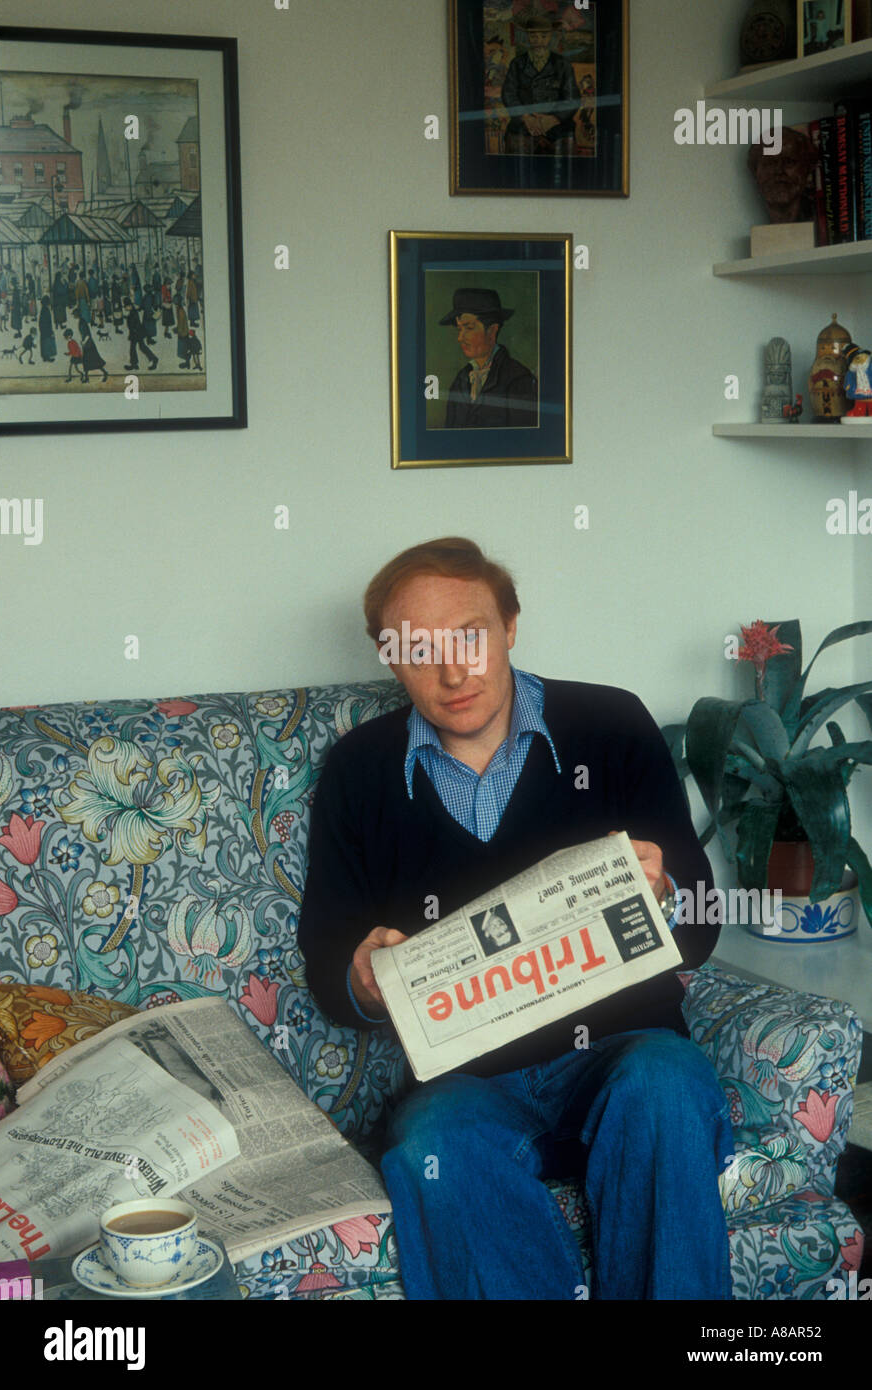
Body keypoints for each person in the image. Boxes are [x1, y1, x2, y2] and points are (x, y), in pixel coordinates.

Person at [297, 537, 734, 1301]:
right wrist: (362, 977)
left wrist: (665, 893)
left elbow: (700, 927)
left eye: (470, 636)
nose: (453, 671)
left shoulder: (613, 725)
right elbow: (331, 969)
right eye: (418, 648)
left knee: (664, 1086)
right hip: (469, 1082)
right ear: (386, 657)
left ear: (510, 626)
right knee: (430, 1145)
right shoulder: (359, 772)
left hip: (625, 1052)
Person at [439, 288, 538, 428]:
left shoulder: (518, 379)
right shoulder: (459, 382)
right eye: (459, 329)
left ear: (492, 331)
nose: (460, 338)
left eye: (469, 328)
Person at [501, 11, 580, 157]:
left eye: (544, 36)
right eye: (533, 36)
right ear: (527, 37)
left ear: (550, 37)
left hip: (558, 129)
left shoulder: (562, 64)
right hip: (523, 127)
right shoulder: (517, 64)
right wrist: (526, 117)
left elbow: (573, 98)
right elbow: (508, 94)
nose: (539, 40)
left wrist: (552, 119)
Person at [123, 298, 158, 371]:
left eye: (126, 306)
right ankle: (151, 359)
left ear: (129, 306)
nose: (125, 308)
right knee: (141, 347)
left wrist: (134, 332)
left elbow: (134, 324)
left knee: (135, 348)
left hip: (136, 333)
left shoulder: (133, 313)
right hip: (137, 333)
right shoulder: (133, 312)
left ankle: (136, 363)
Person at [78, 319, 108, 384]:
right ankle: (87, 378)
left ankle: (105, 373)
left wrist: (83, 342)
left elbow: (87, 335)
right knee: (87, 362)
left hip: (88, 345)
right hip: (87, 344)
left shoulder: (82, 322)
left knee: (92, 361)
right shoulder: (82, 321)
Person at [38, 294, 57, 362]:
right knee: (47, 343)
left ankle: (45, 357)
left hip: (43, 330)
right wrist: (50, 331)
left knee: (44, 344)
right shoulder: (46, 310)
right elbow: (48, 322)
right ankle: (47, 357)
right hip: (46, 330)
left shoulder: (43, 309)